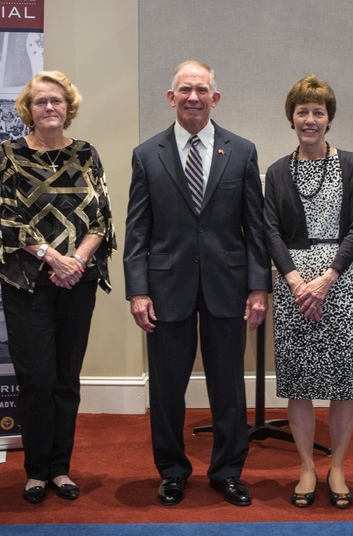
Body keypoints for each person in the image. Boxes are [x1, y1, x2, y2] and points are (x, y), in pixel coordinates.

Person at [124, 60, 271, 508]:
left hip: (228, 287)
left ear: (215, 97)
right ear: (171, 97)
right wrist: (138, 290)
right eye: (185, 90)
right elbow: (137, 231)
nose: (193, 97)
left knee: (228, 386)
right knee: (167, 389)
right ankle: (172, 472)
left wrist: (259, 286)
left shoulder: (242, 151)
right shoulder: (147, 154)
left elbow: (254, 227)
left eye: (202, 89)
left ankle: (227, 472)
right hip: (167, 289)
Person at [0, 71, 115, 504]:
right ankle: (36, 470)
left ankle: (61, 469)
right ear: (28, 110)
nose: (50, 108)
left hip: (79, 280)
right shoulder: (9, 154)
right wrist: (52, 257)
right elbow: (3, 218)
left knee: (66, 379)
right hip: (28, 282)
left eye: (56, 100)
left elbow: (101, 218)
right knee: (37, 378)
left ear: (68, 107)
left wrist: (76, 260)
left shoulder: (86, 154)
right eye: (41, 102)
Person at [263, 76, 353, 509]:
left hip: (339, 283)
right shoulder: (275, 171)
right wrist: (294, 280)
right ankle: (307, 466)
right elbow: (268, 229)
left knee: (342, 382)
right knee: (299, 382)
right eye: (303, 111)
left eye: (318, 112)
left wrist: (327, 278)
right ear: (292, 118)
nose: (310, 119)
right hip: (292, 284)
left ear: (329, 119)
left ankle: (338, 467)